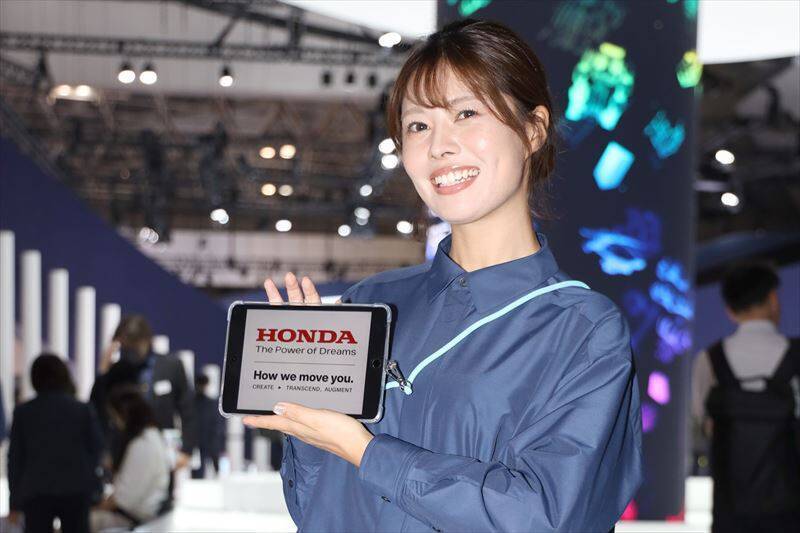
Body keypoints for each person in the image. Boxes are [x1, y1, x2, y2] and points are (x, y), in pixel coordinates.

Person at [244, 18, 642, 532]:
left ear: (532, 130)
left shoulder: (583, 330)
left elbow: (546, 517)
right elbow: (315, 508)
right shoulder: (372, 303)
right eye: (418, 126)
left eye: (466, 113)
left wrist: (366, 451)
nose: (439, 146)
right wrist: (307, 417)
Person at [692, 262, 800, 532]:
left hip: (730, 511)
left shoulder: (710, 359)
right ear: (773, 299)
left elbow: (702, 422)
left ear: (730, 310)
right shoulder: (796, 356)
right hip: (789, 512)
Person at [7, 353, 103, 533]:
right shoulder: (82, 410)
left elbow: (15, 459)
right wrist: (94, 486)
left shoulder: (23, 412)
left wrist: (14, 502)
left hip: (36, 491)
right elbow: (96, 449)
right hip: (76, 489)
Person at [90, 315, 196, 471]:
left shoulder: (172, 366)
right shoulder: (117, 371)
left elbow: (188, 410)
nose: (130, 351)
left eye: (133, 345)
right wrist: (103, 372)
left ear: (146, 340)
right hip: (123, 453)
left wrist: (187, 450)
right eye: (125, 347)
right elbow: (97, 408)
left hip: (163, 451)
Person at [90, 385, 170, 531]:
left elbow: (123, 500)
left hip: (131, 518)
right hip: (137, 513)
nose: (115, 423)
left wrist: (95, 508)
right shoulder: (151, 436)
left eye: (114, 417)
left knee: (77, 522)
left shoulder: (143, 444)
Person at [191, 373, 225, 478]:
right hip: (198, 438)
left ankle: (217, 476)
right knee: (197, 469)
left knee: (214, 464)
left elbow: (216, 421)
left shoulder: (210, 402)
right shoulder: (192, 402)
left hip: (209, 437)